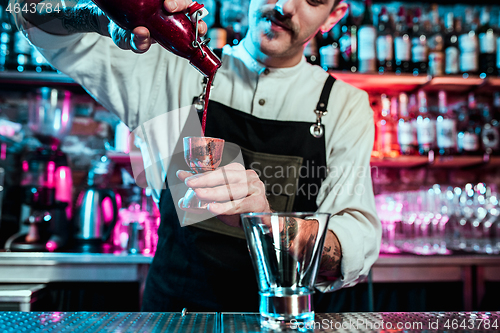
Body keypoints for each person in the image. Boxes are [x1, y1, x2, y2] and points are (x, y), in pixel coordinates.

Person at [12, 0, 381, 312]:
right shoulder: (168, 68)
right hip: (174, 317)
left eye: (313, 0)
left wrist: (269, 224)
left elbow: (359, 237)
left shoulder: (344, 107)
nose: (285, 6)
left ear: (335, 16)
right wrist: (97, 16)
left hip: (280, 320)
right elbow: (25, 11)